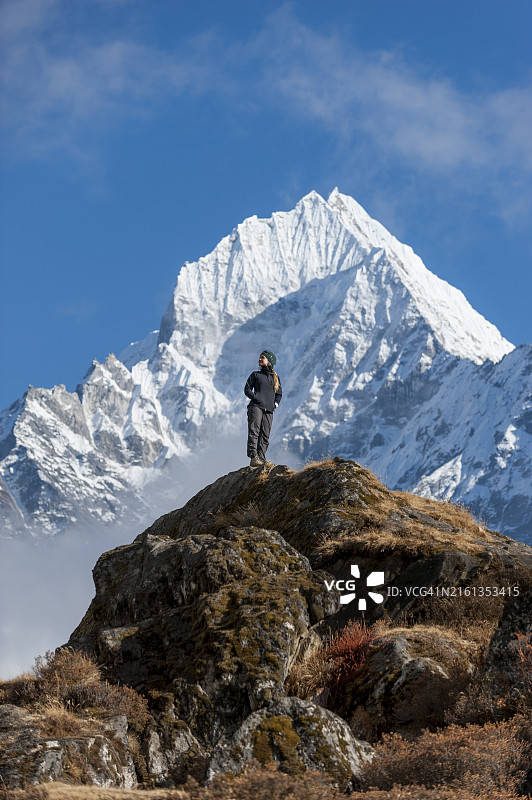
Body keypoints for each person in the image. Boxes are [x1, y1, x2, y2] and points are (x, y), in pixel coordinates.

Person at [244, 350, 282, 467]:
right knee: (254, 431)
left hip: (269, 410)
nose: (259, 359)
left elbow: (279, 394)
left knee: (265, 435)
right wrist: (256, 398)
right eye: (260, 357)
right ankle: (254, 457)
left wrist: (275, 404)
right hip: (255, 407)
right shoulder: (255, 375)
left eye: (263, 357)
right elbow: (247, 389)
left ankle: (262, 458)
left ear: (269, 361)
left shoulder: (275, 377)